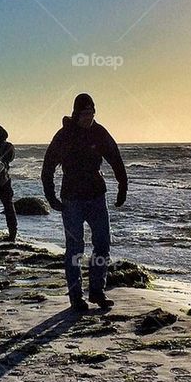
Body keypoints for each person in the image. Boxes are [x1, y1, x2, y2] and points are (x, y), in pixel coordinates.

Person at [41, 93, 128, 312]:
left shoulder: (99, 133)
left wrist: (122, 185)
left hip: (97, 196)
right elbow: (48, 167)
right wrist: (50, 196)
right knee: (75, 248)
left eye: (91, 113)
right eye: (84, 114)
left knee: (102, 244)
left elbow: (115, 158)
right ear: (76, 114)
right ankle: (76, 296)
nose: (88, 118)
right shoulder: (64, 136)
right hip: (72, 199)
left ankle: (97, 291)